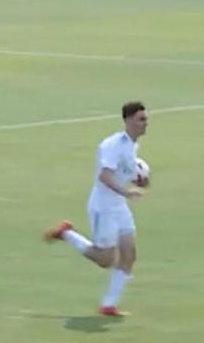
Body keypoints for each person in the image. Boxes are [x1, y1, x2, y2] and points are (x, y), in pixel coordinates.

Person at [43, 102, 150, 317]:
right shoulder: (113, 145)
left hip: (118, 205)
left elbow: (123, 172)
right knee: (106, 260)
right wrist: (127, 192)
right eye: (141, 119)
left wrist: (139, 182)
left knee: (129, 253)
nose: (145, 123)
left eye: (146, 119)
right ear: (128, 120)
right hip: (103, 207)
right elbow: (105, 175)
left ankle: (109, 305)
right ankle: (66, 233)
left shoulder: (132, 146)